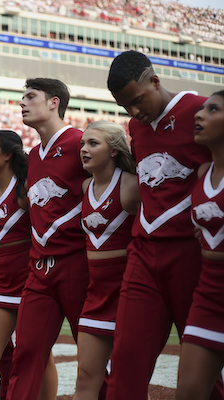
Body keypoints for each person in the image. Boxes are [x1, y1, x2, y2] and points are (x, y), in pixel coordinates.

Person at [105, 51, 222, 400]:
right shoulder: (136, 127)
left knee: (202, 370)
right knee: (125, 361)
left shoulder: (203, 112)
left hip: (192, 254)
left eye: (138, 100)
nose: (135, 112)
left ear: (155, 81)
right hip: (142, 253)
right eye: (126, 106)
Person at [7, 78, 90, 399]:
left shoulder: (80, 142)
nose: (22, 103)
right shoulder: (35, 156)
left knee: (95, 359)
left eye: (30, 96)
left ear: (54, 102)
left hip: (78, 265)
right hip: (39, 270)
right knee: (26, 352)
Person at [0, 130, 58, 400]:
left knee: (39, 355)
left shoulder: (25, 189)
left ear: (7, 154)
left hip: (31, 281)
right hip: (2, 282)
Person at [73, 121, 139, 400]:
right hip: (95, 295)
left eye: (93, 143)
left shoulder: (131, 185)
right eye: (82, 144)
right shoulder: (85, 186)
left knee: (127, 383)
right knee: (86, 378)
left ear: (114, 150)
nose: (84, 150)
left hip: (128, 294)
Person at [176, 91, 224, 400]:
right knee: (189, 393)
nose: (199, 114)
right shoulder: (203, 173)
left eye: (213, 109)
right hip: (207, 294)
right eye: (201, 108)